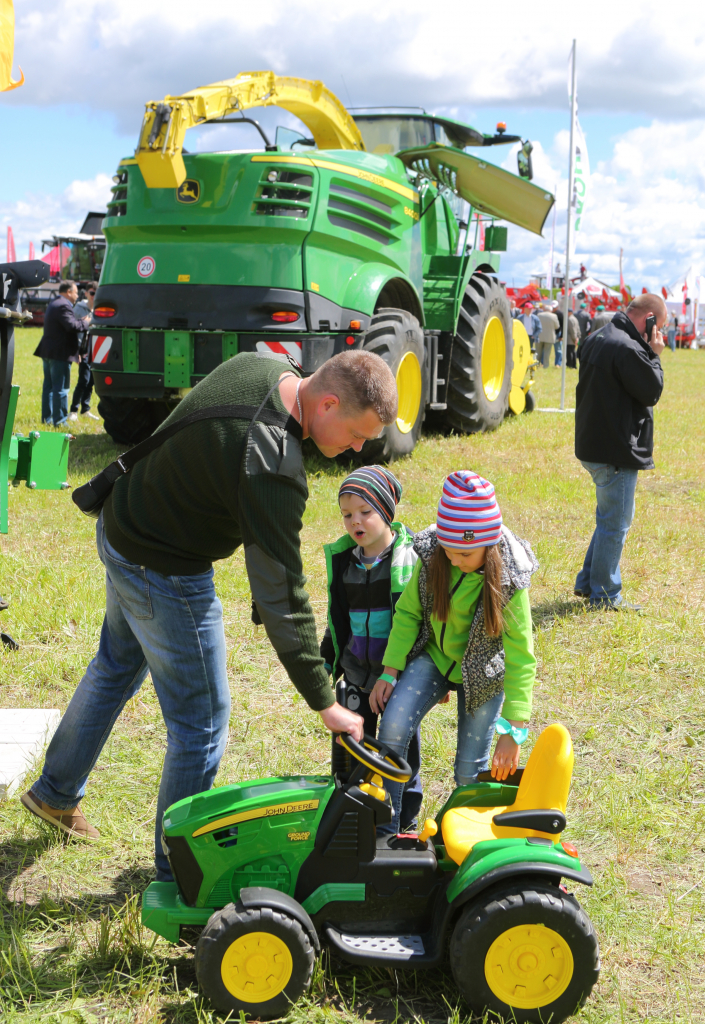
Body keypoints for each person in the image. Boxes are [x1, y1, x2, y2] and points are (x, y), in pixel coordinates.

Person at [22, 349, 395, 878]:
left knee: (116, 665)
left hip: (124, 521)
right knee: (201, 724)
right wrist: (324, 700)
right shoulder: (273, 464)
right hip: (162, 566)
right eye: (357, 435)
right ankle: (178, 872)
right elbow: (280, 594)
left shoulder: (266, 366)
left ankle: (54, 793)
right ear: (328, 403)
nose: (357, 449)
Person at [369, 470, 538, 833]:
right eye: (449, 548)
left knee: (469, 769)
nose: (455, 558)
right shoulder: (434, 559)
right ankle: (387, 831)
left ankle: (457, 838)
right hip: (436, 657)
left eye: (465, 552)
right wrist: (389, 670)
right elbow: (409, 613)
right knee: (393, 726)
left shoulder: (509, 580)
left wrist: (514, 730)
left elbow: (521, 656)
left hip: (485, 672)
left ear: (489, 545)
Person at [320, 465, 422, 829]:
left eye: (365, 512)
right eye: (347, 514)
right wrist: (326, 659)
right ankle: (355, 816)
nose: (355, 522)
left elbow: (419, 624)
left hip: (396, 679)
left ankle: (404, 822)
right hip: (356, 675)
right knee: (352, 751)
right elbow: (337, 620)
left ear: (387, 512)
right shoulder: (345, 563)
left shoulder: (408, 562)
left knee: (399, 750)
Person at [574, 293, 667, 610]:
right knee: (615, 524)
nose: (658, 335)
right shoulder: (628, 347)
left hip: (595, 443)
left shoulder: (599, 335)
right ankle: (605, 595)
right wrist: (654, 355)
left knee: (608, 519)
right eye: (658, 327)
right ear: (649, 319)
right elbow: (651, 390)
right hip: (614, 449)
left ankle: (588, 582)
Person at [34, 281, 91, 426]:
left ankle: (47, 419)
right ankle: (60, 421)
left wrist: (80, 321)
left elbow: (66, 326)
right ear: (68, 292)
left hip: (49, 352)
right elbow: (71, 326)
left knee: (49, 387)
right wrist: (86, 323)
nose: (77, 295)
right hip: (59, 354)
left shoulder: (55, 303)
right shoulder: (64, 305)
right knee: (61, 389)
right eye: (76, 292)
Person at [69, 285, 99, 421]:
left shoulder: (100, 309)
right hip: (84, 350)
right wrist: (77, 351)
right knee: (84, 380)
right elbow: (73, 330)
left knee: (92, 380)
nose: (94, 296)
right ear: (86, 293)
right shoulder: (79, 309)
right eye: (92, 293)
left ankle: (85, 409)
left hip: (97, 349)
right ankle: (73, 410)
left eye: (97, 293)